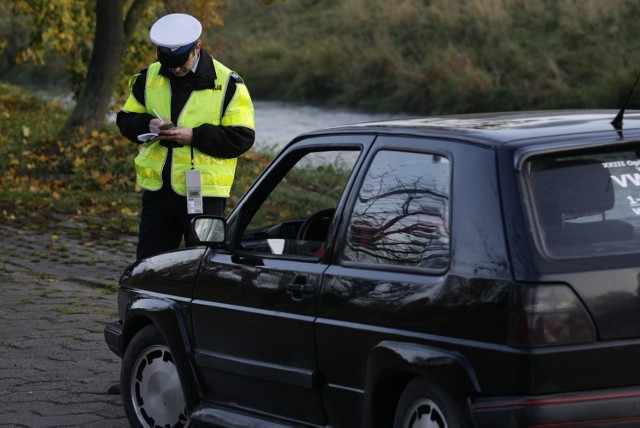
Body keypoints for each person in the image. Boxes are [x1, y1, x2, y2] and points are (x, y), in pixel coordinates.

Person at [116, 13, 255, 262]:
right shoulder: (148, 77)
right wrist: (148, 124)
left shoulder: (228, 83)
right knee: (150, 265)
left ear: (197, 48)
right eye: (169, 64)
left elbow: (242, 137)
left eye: (181, 62)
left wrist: (195, 136)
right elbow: (125, 119)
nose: (175, 69)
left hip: (205, 194)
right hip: (159, 192)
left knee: (206, 265)